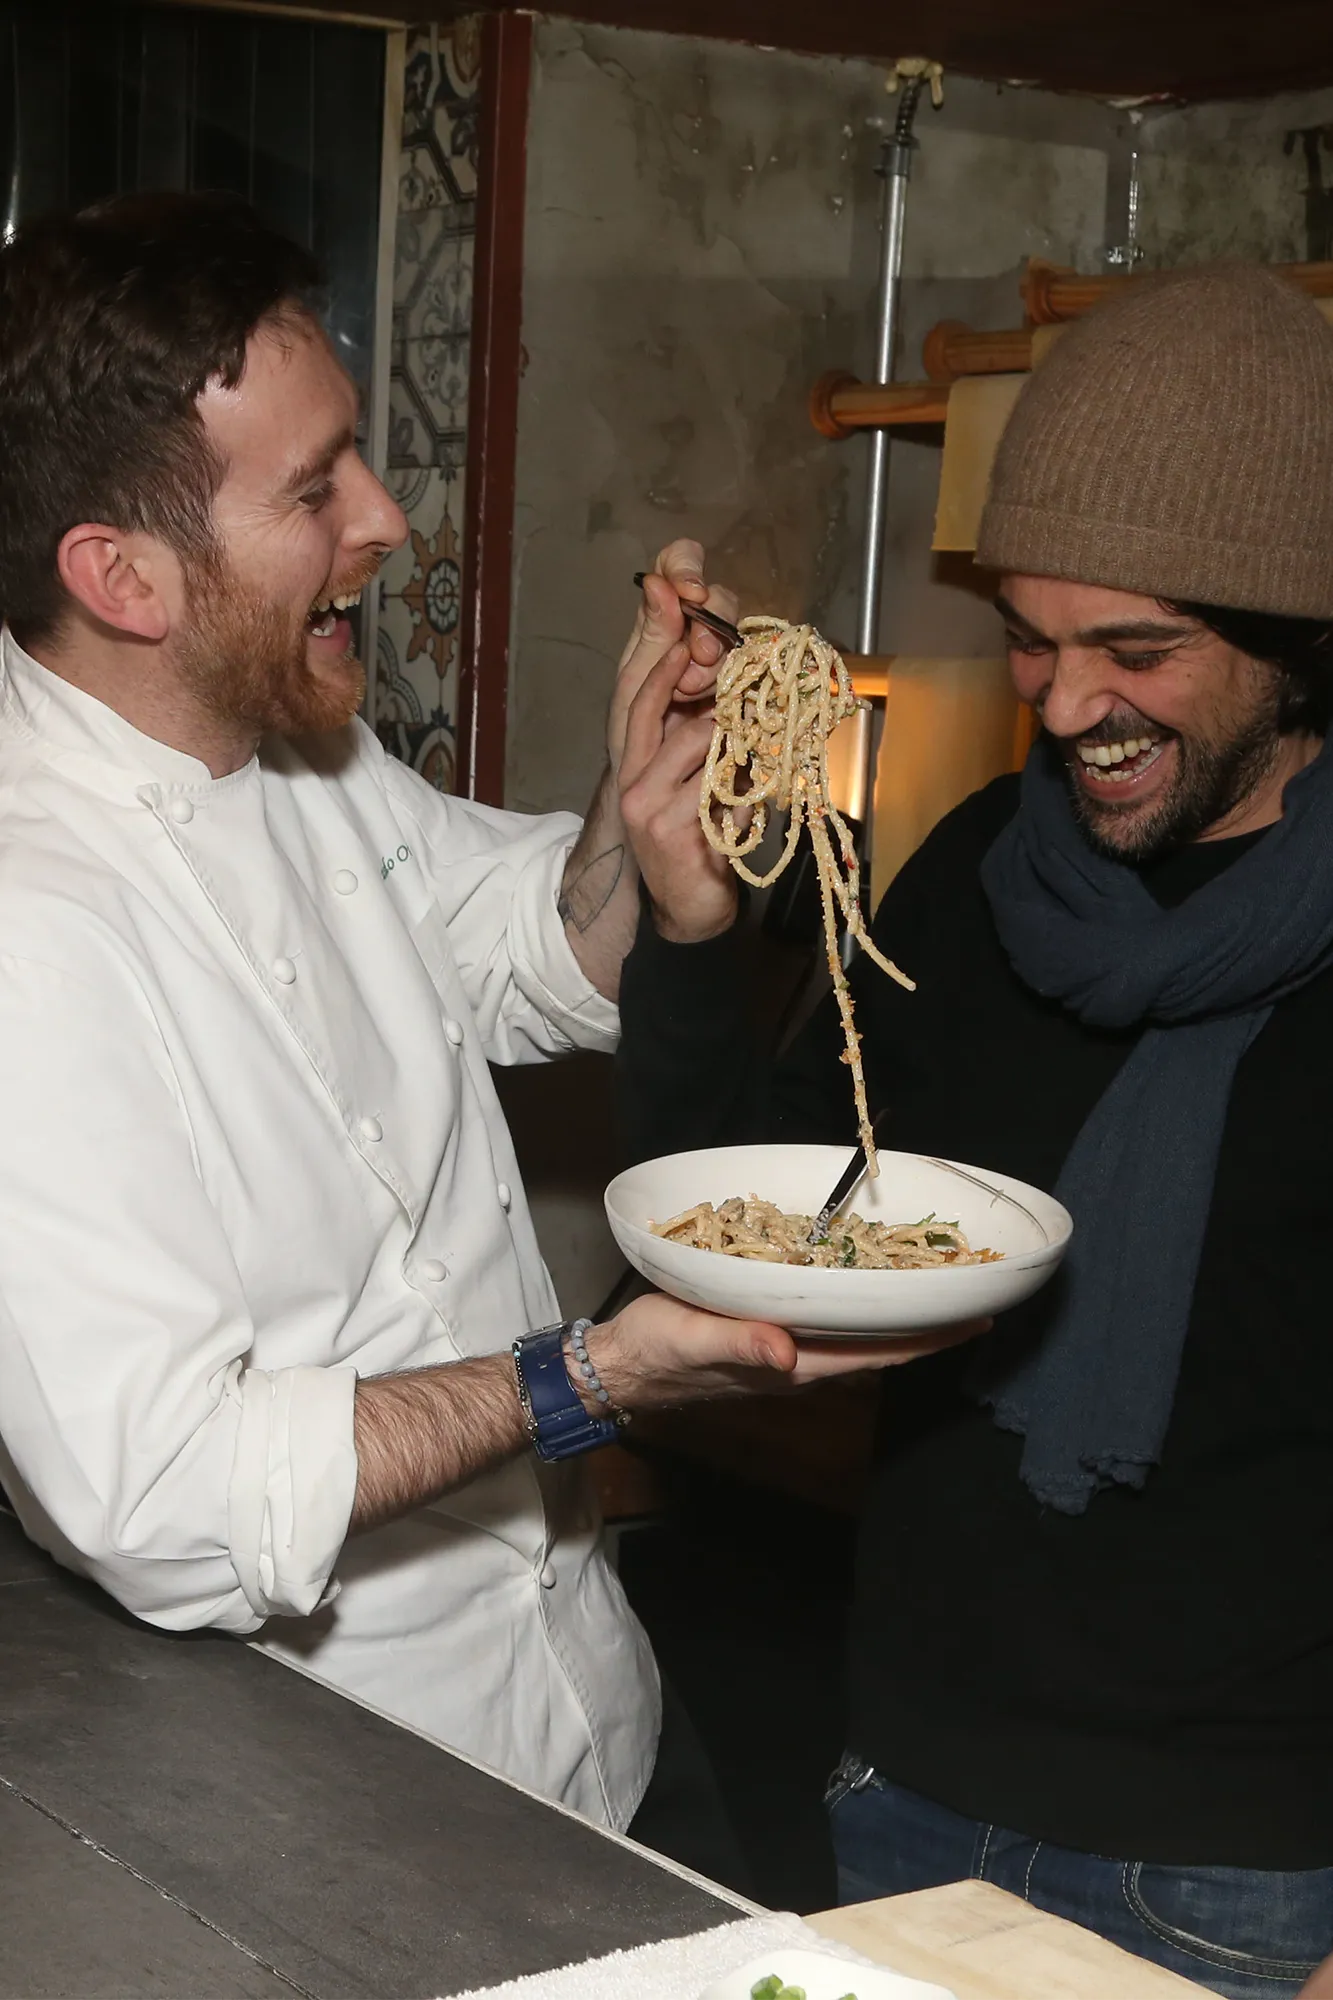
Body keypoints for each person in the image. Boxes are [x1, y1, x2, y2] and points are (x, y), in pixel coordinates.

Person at [0, 192, 974, 1849]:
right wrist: (596, 1376)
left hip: (590, 1701)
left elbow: (528, 947)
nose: (387, 519)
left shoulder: (301, 749)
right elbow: (166, 1499)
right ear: (123, 577)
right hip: (348, 1812)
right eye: (316, 488)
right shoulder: (35, 931)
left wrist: (638, 818)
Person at [616, 262, 1333, 1995]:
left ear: (1301, 635)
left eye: (1137, 651)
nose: (1066, 706)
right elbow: (748, 1224)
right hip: (903, 1784)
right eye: (1031, 636)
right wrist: (694, 933)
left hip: (1250, 1870)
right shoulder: (977, 876)